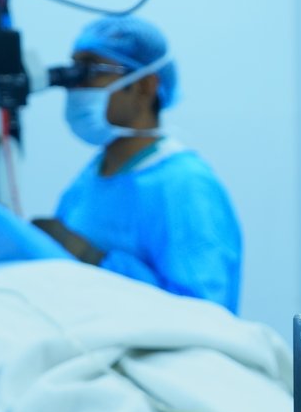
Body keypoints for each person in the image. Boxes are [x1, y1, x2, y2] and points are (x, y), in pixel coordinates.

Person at [35, 16, 243, 312]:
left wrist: (90, 257)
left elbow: (203, 313)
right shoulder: (92, 177)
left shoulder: (186, 185)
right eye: (74, 70)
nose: (76, 85)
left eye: (91, 70)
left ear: (145, 86)